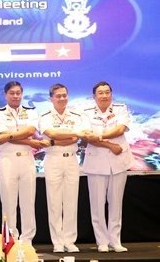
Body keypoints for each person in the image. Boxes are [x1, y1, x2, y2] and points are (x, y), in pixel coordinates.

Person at [0, 81, 49, 246]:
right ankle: (11, 239)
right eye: (12, 93)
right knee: (8, 201)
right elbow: (0, 137)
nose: (15, 96)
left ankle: (27, 240)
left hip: (26, 159)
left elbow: (30, 130)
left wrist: (10, 136)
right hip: (7, 159)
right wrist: (30, 142)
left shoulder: (30, 111)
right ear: (5, 95)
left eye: (18, 93)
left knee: (28, 201)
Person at [39, 83, 94, 253]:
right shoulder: (45, 115)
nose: (62, 98)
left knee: (71, 201)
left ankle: (70, 241)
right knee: (54, 202)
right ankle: (57, 241)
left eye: (64, 95)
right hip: (53, 160)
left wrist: (69, 136)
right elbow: (52, 134)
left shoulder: (78, 115)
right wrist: (71, 135)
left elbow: (82, 135)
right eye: (58, 96)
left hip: (71, 160)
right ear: (51, 98)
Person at [81, 81, 133, 253]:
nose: (104, 95)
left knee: (116, 203)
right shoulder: (86, 113)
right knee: (97, 204)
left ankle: (115, 240)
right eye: (100, 93)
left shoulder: (121, 108)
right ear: (94, 96)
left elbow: (120, 130)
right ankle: (102, 241)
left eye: (107, 92)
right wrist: (110, 145)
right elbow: (88, 137)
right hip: (96, 162)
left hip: (119, 163)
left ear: (111, 93)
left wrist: (100, 136)